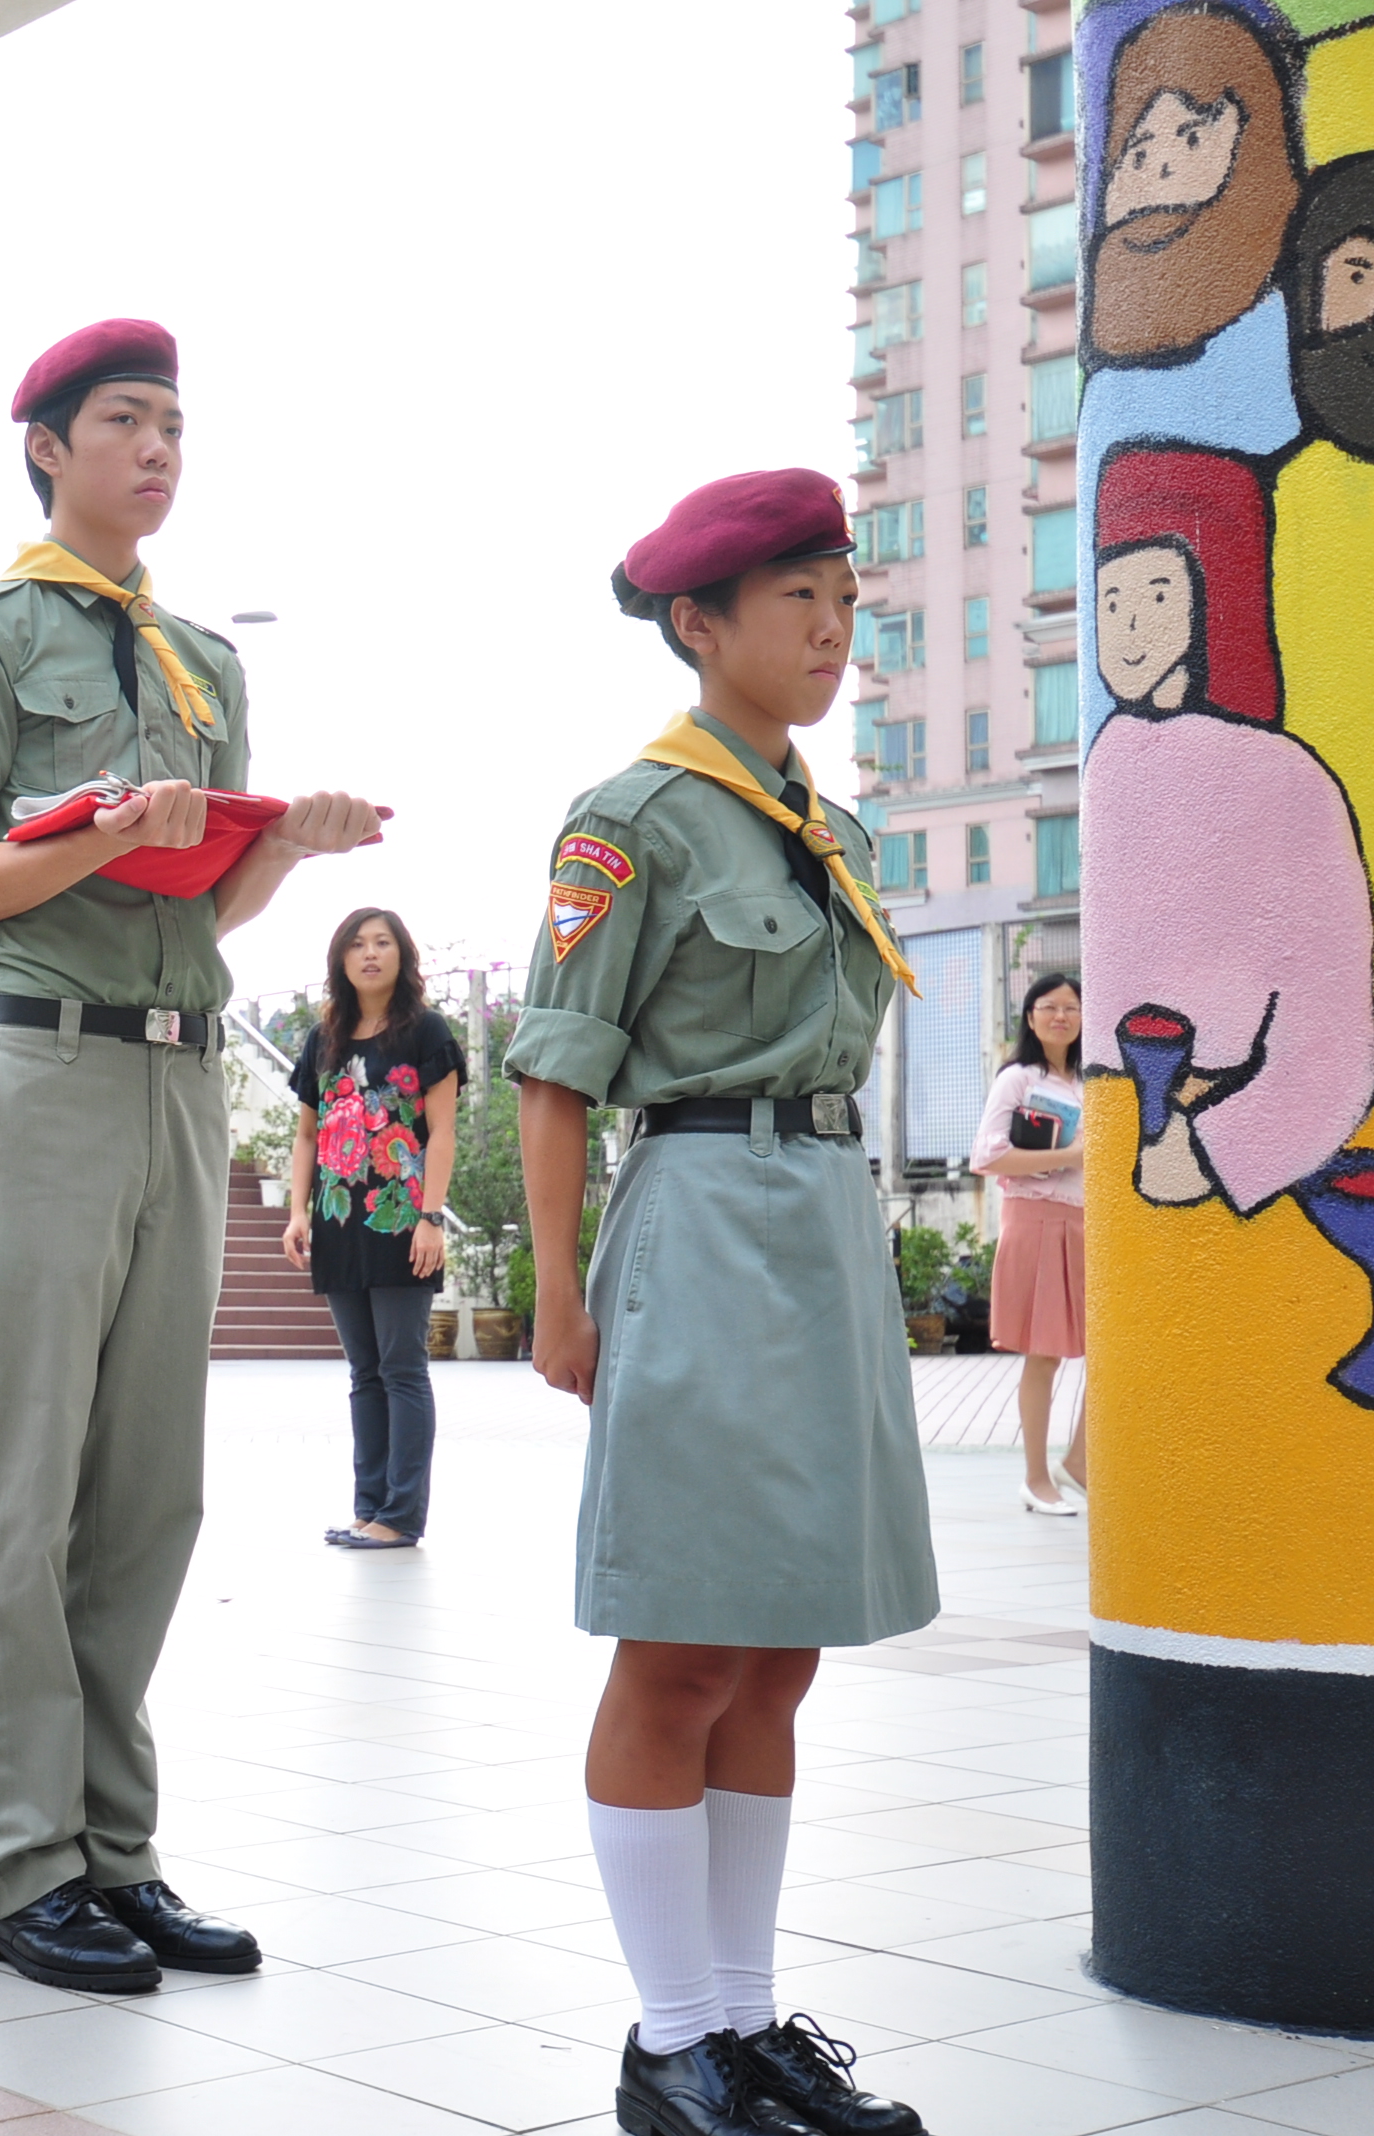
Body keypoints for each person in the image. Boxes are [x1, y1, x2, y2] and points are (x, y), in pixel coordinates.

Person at [0, 320, 382, 1991]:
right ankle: (21, 1863)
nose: (159, 449)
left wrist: (287, 851)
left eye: (175, 424)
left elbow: (206, 902)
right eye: (126, 421)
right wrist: (94, 834)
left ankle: (116, 1850)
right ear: (47, 446)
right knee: (23, 1483)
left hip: (178, 1079)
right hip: (40, 1071)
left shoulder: (201, 665)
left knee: (149, 1493)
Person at [509, 469, 937, 2136]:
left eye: (844, 597)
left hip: (822, 1225)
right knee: (683, 1649)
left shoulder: (830, 826)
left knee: (777, 1658)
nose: (832, 628)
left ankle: (750, 2031)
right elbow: (557, 1072)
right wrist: (556, 1291)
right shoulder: (632, 818)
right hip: (699, 1214)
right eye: (795, 599)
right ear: (698, 624)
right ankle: (671, 2044)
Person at [281, 908, 462, 1550]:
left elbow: (442, 1132)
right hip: (338, 1222)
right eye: (357, 944)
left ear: (402, 955)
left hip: (403, 1222)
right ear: (341, 959)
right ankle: (369, 1508)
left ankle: (401, 1515)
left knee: (401, 1367)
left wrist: (431, 1217)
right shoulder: (323, 1038)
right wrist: (298, 1211)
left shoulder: (426, 1032)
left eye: (383, 942)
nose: (370, 953)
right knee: (364, 1372)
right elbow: (308, 1135)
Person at [972, 973, 1090, 1514]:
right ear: (1030, 1016)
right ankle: (1036, 1479)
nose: (1061, 1016)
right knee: (1045, 1356)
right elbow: (987, 1155)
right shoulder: (1017, 1079)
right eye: (1049, 1006)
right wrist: (1067, 1156)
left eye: (1071, 1007)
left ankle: (1078, 1463)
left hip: (1088, 1225)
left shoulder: (1092, 1083)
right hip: (1037, 1220)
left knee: (1110, 1352)